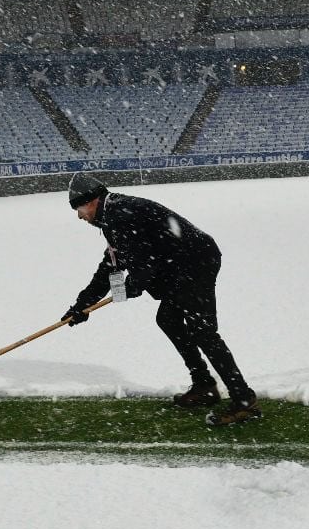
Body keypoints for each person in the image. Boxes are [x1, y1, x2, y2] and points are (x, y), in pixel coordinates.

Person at [63, 173, 261, 427]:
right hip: (177, 266)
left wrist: (134, 284)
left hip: (195, 262)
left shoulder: (120, 215)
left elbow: (145, 261)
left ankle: (244, 400)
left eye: (79, 208)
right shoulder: (110, 217)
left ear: (92, 201)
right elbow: (112, 265)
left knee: (203, 332)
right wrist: (82, 306)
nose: (80, 216)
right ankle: (204, 385)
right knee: (168, 319)